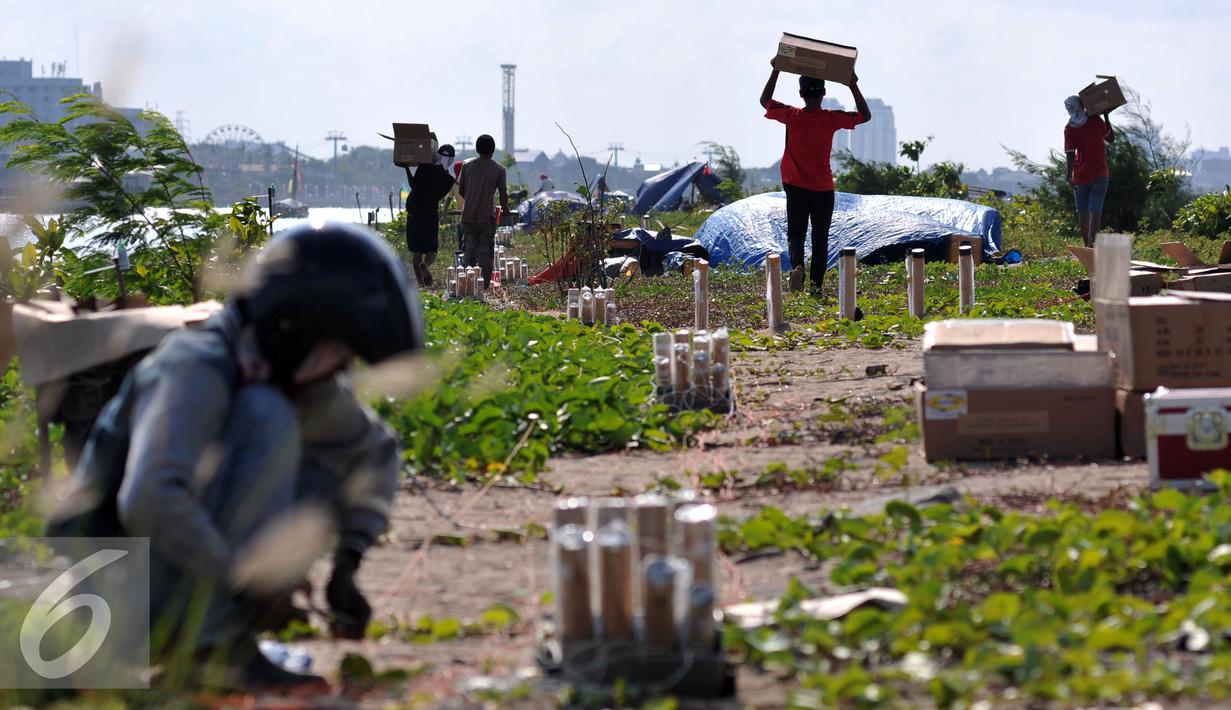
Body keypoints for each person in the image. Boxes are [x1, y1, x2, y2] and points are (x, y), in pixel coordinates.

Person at [47, 223, 425, 692]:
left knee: (321, 453)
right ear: (296, 330)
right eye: (339, 351)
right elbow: (148, 496)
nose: (344, 367)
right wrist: (243, 582)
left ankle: (219, 638)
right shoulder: (195, 365)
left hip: (172, 589)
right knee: (268, 414)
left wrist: (348, 559)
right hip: (109, 602)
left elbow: (374, 452)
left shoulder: (290, 376)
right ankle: (218, 649)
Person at [760, 61, 871, 295]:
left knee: (796, 234)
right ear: (824, 93)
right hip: (822, 190)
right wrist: (852, 85)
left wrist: (776, 69)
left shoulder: (791, 115)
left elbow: (765, 101)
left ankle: (798, 265)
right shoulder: (831, 118)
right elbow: (864, 115)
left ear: (801, 94)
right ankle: (816, 287)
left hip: (795, 187)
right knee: (820, 239)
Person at [1064, 95, 1115, 248]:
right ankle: (1092, 247)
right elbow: (1111, 138)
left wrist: (1069, 175)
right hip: (1100, 173)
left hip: (1081, 175)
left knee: (1083, 213)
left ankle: (1087, 247)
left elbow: (1070, 155)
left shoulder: (1069, 129)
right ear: (1083, 105)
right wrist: (1105, 116)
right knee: (1095, 212)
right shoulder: (1095, 120)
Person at [457, 134, 509, 283]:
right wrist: (505, 210)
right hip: (486, 217)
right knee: (485, 252)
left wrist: (473, 199)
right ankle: (484, 286)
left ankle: (467, 285)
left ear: (477, 148)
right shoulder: (499, 170)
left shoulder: (466, 165)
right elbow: (503, 194)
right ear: (492, 149)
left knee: (468, 251)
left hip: (467, 217)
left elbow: (461, 191)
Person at [404, 144, 458, 285]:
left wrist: (406, 168)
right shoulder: (449, 180)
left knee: (417, 252)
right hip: (429, 215)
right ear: (451, 160)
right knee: (431, 250)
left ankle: (420, 282)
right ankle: (426, 265)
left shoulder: (424, 167)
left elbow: (413, 185)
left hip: (413, 213)